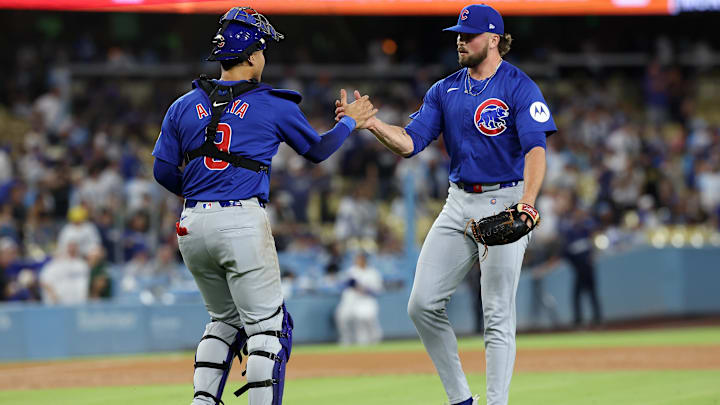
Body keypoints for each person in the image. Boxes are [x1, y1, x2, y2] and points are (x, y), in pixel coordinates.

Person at [150, 7, 376, 405]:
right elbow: (318, 151)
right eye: (264, 51)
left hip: (192, 225)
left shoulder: (182, 105)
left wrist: (204, 191)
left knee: (224, 321)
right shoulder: (273, 103)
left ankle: (202, 402)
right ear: (253, 56)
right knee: (268, 330)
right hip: (240, 219)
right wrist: (349, 123)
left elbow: (163, 171)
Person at [335, 5, 556, 404]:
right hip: (458, 202)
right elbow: (409, 142)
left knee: (497, 315)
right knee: (421, 305)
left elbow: (536, 150)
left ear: (493, 39)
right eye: (457, 32)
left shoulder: (520, 87)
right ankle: (460, 399)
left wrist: (527, 203)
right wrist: (371, 125)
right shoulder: (444, 89)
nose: (459, 39)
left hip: (506, 197)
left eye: (468, 33)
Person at [334, 252, 383, 345]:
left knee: (368, 319)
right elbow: (342, 285)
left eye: (360, 259)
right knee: (343, 317)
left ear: (365, 260)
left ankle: (375, 339)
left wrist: (364, 289)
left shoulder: (373, 273)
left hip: (367, 299)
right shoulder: (352, 271)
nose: (358, 261)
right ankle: (348, 340)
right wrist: (351, 284)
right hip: (352, 299)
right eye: (357, 259)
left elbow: (377, 291)